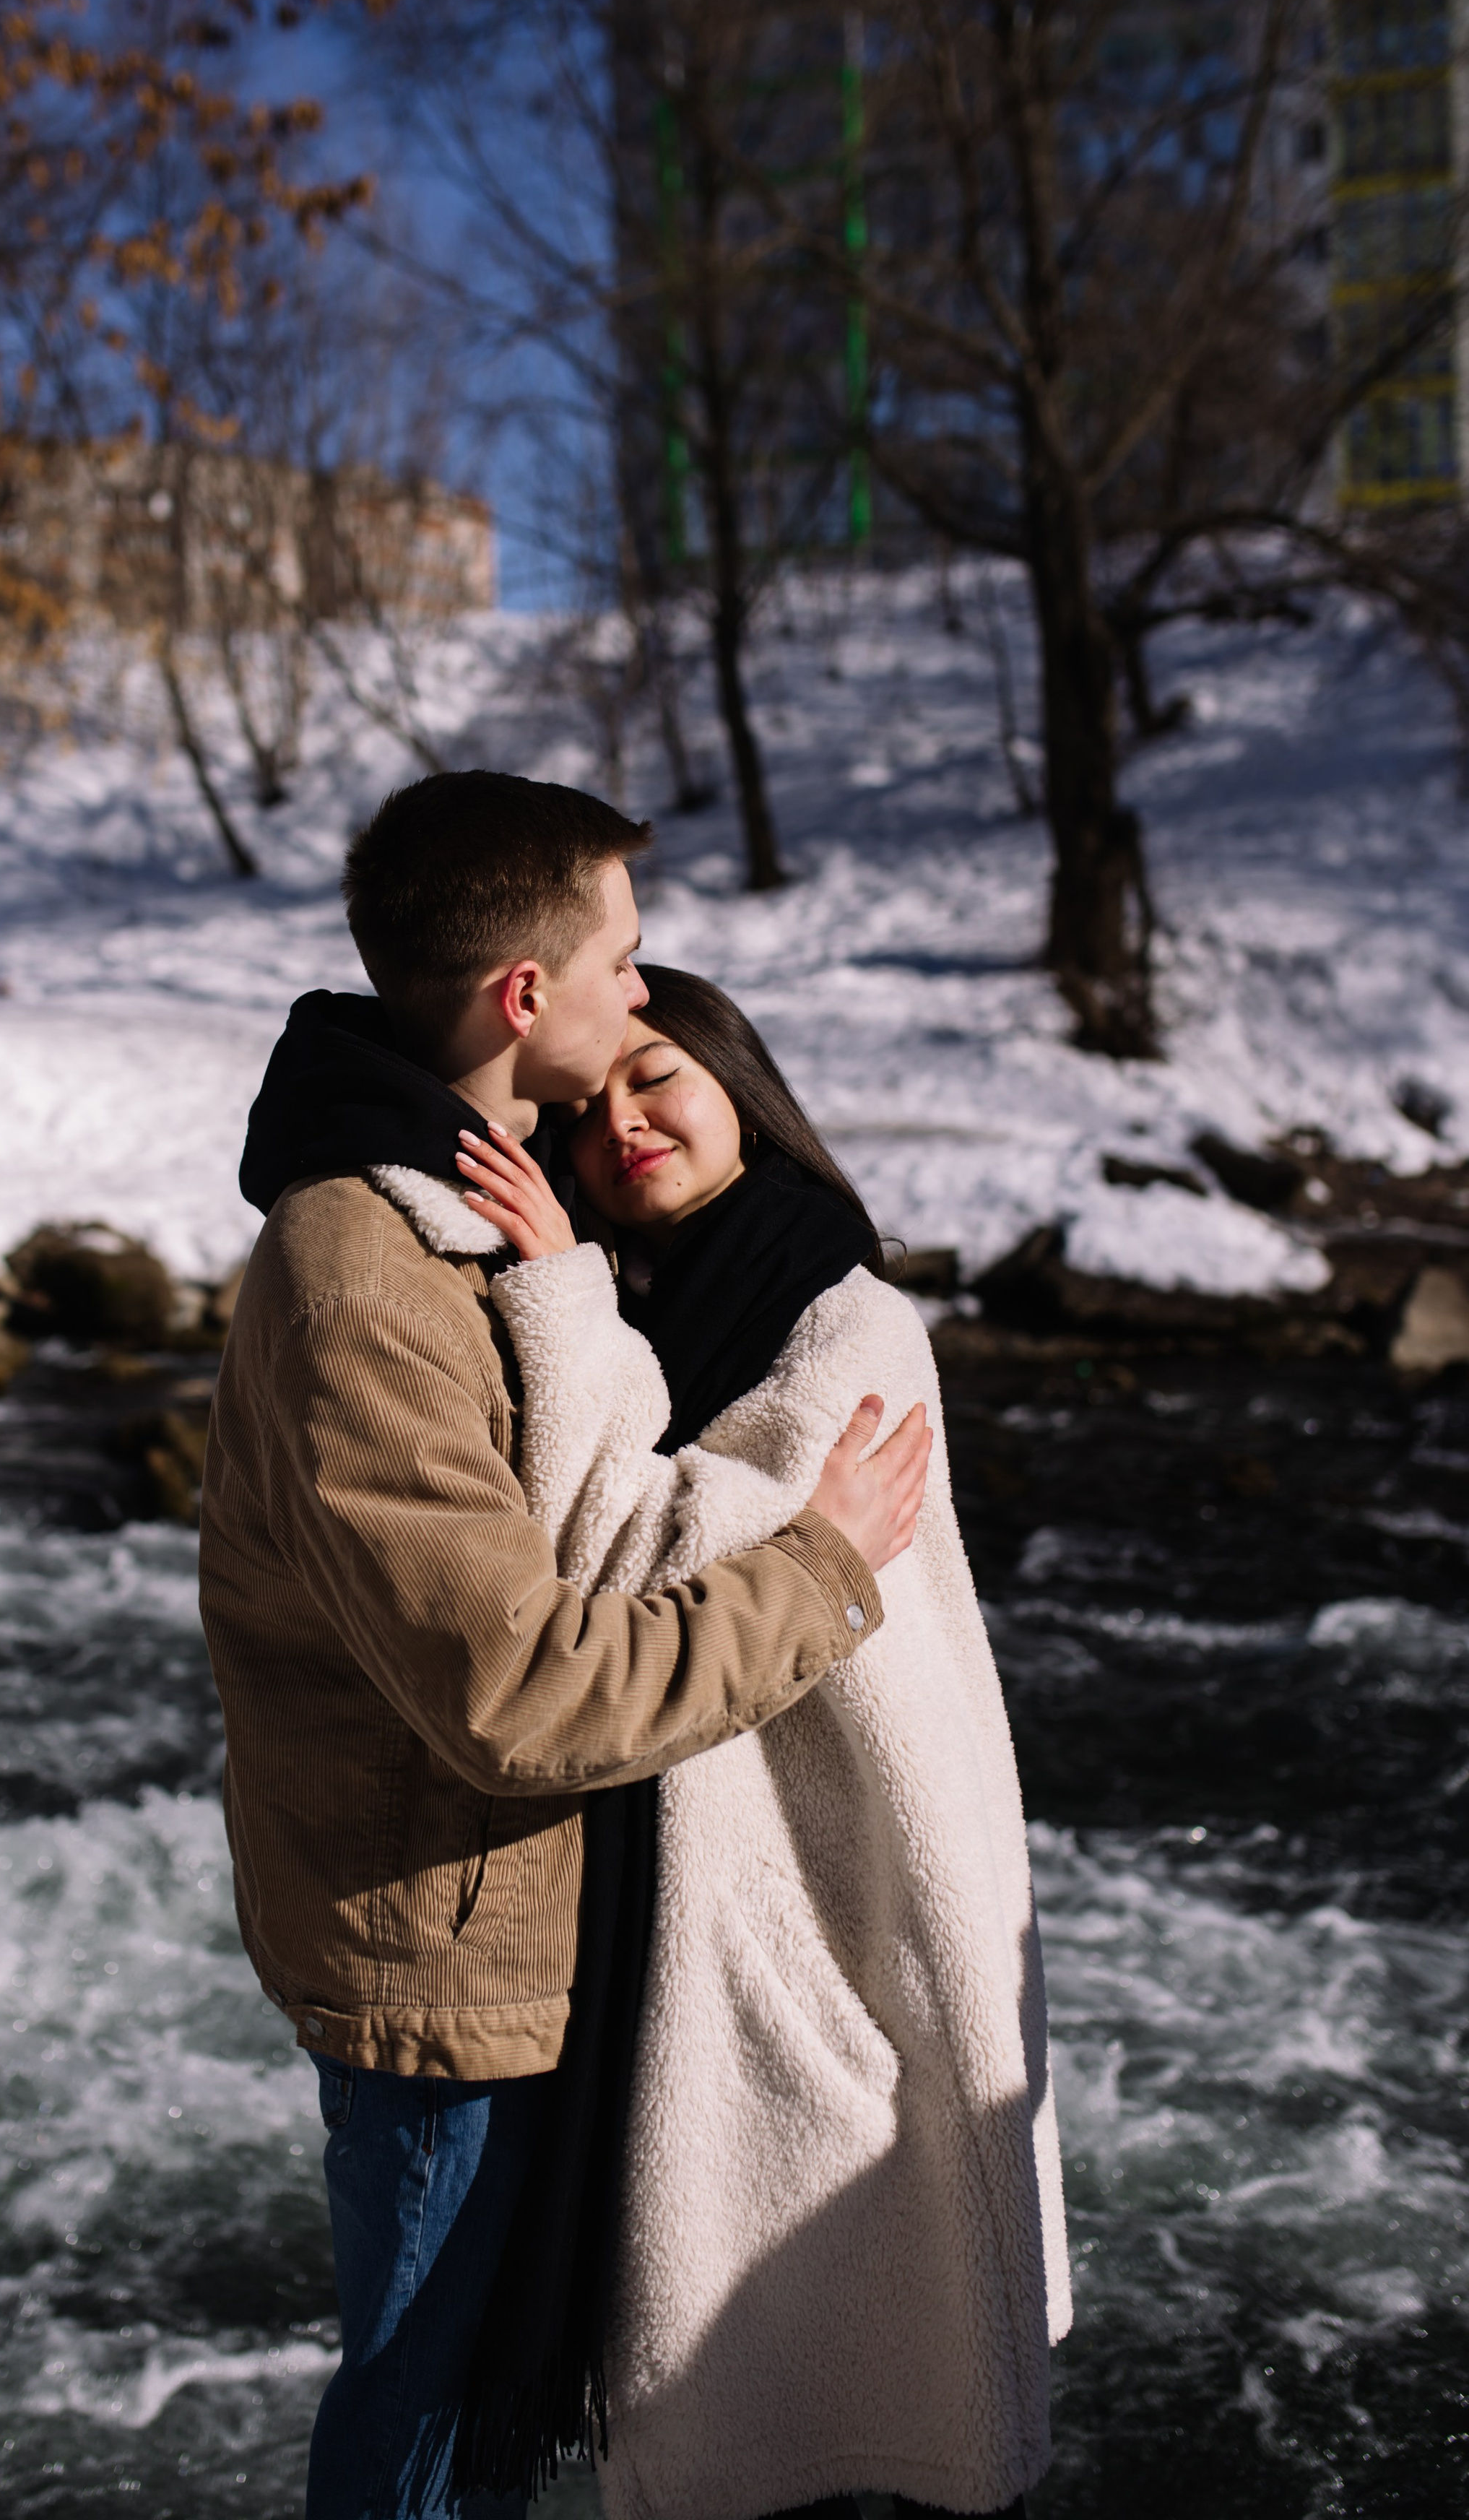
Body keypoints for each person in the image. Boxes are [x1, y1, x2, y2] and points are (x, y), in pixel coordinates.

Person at [196, 776, 932, 2520]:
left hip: (530, 1927)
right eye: (619, 954)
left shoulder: (481, 1221)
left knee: (478, 2417)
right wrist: (823, 1569)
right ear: (524, 994)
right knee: (431, 2434)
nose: (638, 988)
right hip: (448, 1955)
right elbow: (517, 1697)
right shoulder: (363, 1275)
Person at [454, 965, 1070, 2520]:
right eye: (587, 1113)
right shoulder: (673, 1306)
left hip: (833, 1886)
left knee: (842, 2390)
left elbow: (620, 1555)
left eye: (654, 1077)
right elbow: (680, 1551)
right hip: (736, 1853)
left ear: (738, 1080)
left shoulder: (841, 1314)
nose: (623, 1122)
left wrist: (556, 1301)